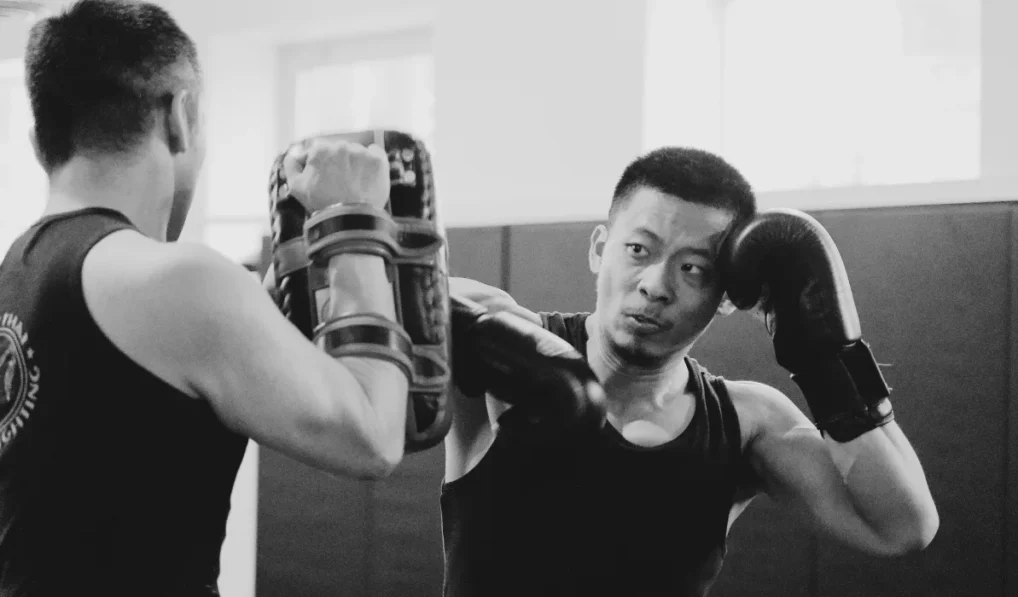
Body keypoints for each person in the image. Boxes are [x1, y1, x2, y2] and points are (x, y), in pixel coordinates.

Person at [0, 1, 428, 594]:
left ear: (40, 138)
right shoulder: (181, 282)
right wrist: (353, 218)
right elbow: (374, 436)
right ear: (182, 114)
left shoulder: (13, 277)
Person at [441, 147, 940, 597]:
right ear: (599, 248)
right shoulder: (505, 353)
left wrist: (825, 358)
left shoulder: (745, 423)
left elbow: (901, 526)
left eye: (693, 269)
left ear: (727, 296)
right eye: (639, 250)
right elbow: (417, 298)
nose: (656, 286)